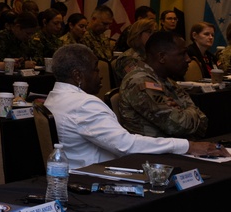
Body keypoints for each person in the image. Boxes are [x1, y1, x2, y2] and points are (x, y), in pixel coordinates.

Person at [43, 44, 219, 168]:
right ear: (78, 75)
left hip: (76, 173)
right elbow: (125, 145)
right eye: (96, 70)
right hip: (95, 176)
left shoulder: (52, 98)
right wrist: (187, 146)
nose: (100, 76)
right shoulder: (84, 104)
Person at [117, 32, 209, 139]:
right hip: (151, 152)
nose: (188, 59)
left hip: (174, 147)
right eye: (182, 54)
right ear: (162, 57)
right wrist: (186, 111)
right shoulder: (140, 82)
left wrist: (184, 112)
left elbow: (203, 122)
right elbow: (178, 126)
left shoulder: (166, 80)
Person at [111, 18, 154, 83]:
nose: (153, 36)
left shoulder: (151, 54)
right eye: (149, 32)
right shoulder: (126, 59)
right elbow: (139, 80)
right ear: (138, 34)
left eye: (155, 32)